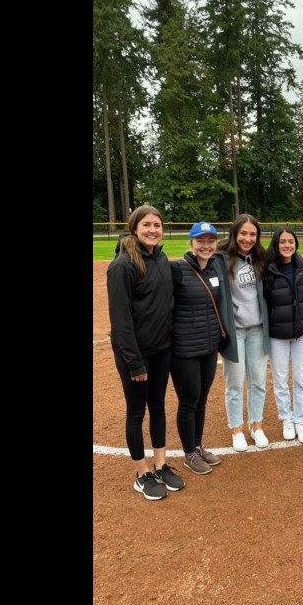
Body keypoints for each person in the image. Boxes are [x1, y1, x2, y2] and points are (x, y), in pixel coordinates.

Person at [106, 205, 184, 500]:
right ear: (134, 228)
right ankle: (141, 474)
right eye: (147, 225)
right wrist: (135, 362)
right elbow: (121, 320)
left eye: (157, 225)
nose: (153, 230)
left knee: (160, 406)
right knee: (137, 412)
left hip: (161, 349)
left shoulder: (161, 258)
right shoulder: (123, 265)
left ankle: (161, 465)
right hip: (135, 356)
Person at [169, 222, 229, 475]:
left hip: (208, 346)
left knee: (202, 399)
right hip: (184, 349)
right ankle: (189, 453)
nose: (206, 246)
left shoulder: (213, 268)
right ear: (191, 243)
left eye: (210, 241)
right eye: (200, 241)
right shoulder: (177, 270)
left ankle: (197, 445)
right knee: (188, 401)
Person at [217, 215, 271, 452]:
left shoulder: (261, 259)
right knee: (235, 383)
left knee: (258, 380)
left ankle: (256, 425)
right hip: (235, 331)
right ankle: (236, 429)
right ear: (234, 233)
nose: (248, 239)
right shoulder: (221, 258)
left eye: (252, 234)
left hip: (258, 329)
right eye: (243, 233)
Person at [263, 227, 303, 444]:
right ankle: (286, 418)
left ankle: (300, 419)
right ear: (276, 244)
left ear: (296, 244)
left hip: (302, 332)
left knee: (301, 378)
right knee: (281, 379)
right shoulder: (267, 270)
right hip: (277, 334)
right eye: (282, 242)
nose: (287, 245)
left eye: (290, 241)